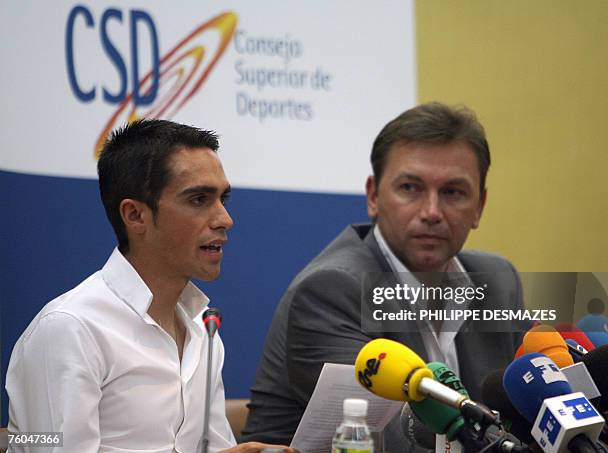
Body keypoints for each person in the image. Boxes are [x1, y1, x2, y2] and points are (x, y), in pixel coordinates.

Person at [241, 102, 528, 449]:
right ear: (374, 196)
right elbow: (390, 438)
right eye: (410, 188)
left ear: (479, 206)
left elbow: (522, 414)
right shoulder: (331, 288)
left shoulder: (497, 280)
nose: (431, 212)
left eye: (453, 192)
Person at [6, 120, 292, 453]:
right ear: (135, 215)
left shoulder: (203, 329)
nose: (224, 219)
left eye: (222, 199)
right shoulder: (71, 329)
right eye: (199, 199)